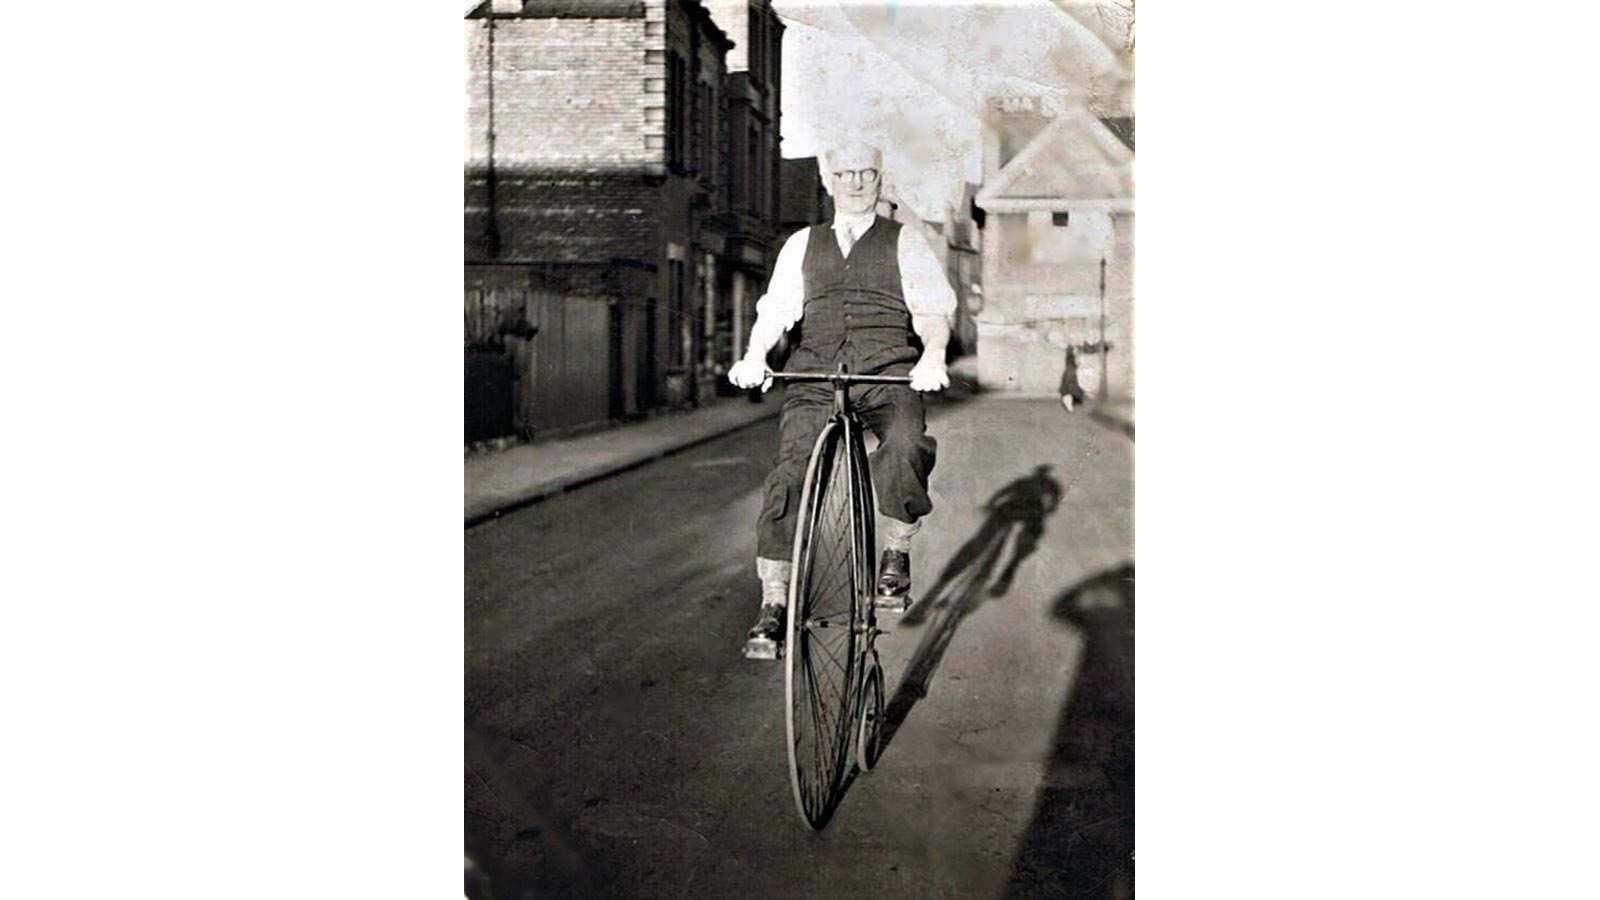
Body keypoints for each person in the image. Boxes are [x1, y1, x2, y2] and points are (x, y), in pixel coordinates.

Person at [728, 143, 956, 658]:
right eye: (844, 173)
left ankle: (895, 552)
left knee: (905, 442)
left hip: (886, 373)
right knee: (790, 473)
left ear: (879, 178)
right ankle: (774, 602)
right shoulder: (801, 245)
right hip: (815, 372)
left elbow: (932, 311)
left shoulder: (905, 242)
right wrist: (754, 354)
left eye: (866, 173)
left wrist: (932, 357)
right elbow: (777, 310)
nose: (855, 182)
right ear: (828, 181)